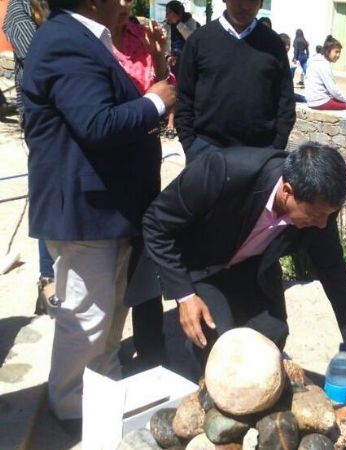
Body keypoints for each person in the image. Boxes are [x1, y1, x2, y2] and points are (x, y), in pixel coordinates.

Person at [141, 142, 346, 404]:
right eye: (316, 215)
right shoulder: (223, 171)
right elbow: (155, 224)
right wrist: (185, 296)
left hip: (251, 267)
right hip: (202, 264)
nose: (322, 224)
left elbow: (338, 281)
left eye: (328, 216)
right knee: (218, 345)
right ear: (287, 192)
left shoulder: (320, 210)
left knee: (272, 334)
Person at [21, 0, 175, 427]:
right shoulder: (66, 41)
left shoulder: (85, 38)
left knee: (108, 315)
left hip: (107, 208)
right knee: (87, 316)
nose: (126, 2)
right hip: (84, 209)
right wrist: (155, 102)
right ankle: (72, 405)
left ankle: (103, 389)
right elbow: (95, 123)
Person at [110, 8, 176, 370]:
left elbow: (164, 89)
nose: (124, 4)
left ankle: (151, 345)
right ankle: (104, 351)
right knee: (107, 264)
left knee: (145, 253)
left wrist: (159, 55)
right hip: (109, 162)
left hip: (145, 158)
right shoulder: (89, 41)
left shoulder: (139, 35)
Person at [175, 0, 295, 163]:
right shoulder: (199, 40)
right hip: (206, 150)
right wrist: (191, 146)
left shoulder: (273, 45)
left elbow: (285, 100)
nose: (245, 6)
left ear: (261, 3)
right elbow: (184, 98)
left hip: (261, 154)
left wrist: (276, 146)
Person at [4, 0, 53, 316]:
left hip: (70, 110)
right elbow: (36, 57)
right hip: (42, 118)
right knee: (48, 194)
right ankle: (48, 279)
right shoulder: (19, 10)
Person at [161, 0, 197, 139]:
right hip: (172, 62)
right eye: (166, 12)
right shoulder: (165, 26)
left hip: (187, 62)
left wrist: (178, 24)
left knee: (185, 90)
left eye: (169, 12)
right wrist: (167, 57)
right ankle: (170, 123)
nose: (166, 15)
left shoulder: (190, 22)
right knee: (172, 89)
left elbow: (191, 39)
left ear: (178, 14)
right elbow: (164, 46)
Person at [305, 37, 346, 111]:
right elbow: (333, 90)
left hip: (312, 100)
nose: (338, 55)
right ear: (327, 51)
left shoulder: (316, 61)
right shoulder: (323, 65)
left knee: (341, 101)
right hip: (319, 102)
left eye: (339, 52)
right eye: (336, 52)